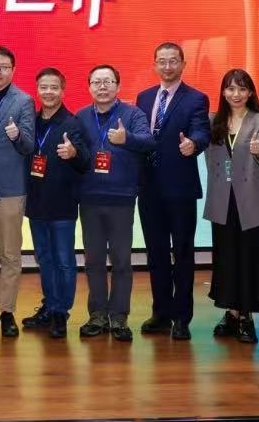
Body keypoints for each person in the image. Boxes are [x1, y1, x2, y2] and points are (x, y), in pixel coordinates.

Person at [135, 42, 211, 341]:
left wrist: (194, 143)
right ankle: (161, 313)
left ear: (183, 64)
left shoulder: (196, 98)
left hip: (180, 189)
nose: (167, 66)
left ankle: (182, 317)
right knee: (156, 254)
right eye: (162, 61)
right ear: (154, 64)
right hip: (149, 189)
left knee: (182, 254)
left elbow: (201, 129)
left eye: (173, 61)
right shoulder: (144, 97)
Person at [75, 64, 154, 342]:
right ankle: (97, 314)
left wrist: (126, 138)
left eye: (108, 81)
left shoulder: (133, 114)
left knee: (121, 260)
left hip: (121, 198)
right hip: (90, 198)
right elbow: (76, 152)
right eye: (97, 82)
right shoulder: (81, 116)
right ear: (89, 87)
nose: (102, 86)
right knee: (94, 260)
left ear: (118, 86)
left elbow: (149, 142)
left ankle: (119, 316)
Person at [204, 68, 259, 344]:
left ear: (250, 93)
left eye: (242, 89)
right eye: (231, 88)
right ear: (223, 92)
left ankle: (246, 316)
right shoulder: (214, 121)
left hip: (251, 200)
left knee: (249, 258)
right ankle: (231, 313)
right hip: (222, 200)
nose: (236, 94)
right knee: (226, 258)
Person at [21, 67, 88, 339]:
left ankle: (61, 312)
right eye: (43, 87)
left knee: (63, 260)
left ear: (62, 90)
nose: (48, 92)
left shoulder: (72, 123)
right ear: (37, 90)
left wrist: (74, 153)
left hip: (62, 204)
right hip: (36, 203)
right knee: (44, 258)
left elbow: (85, 160)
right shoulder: (32, 122)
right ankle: (50, 306)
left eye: (54, 87)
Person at [0, 46, 36, 337]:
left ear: (13, 70)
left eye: (4, 67)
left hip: (10, 189)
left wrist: (17, 136)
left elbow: (29, 146)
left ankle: (8, 311)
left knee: (10, 254)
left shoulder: (23, 101)